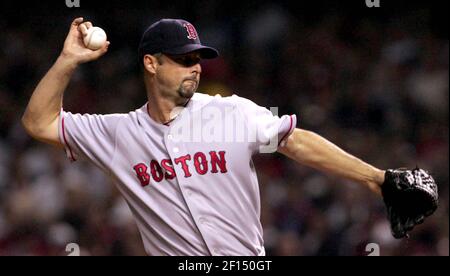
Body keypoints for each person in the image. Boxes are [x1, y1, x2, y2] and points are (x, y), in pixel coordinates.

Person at [21, 18, 436, 256]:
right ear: (151, 63)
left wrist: (377, 178)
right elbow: (39, 123)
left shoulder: (230, 111)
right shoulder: (117, 133)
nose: (196, 67)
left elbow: (296, 141)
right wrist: (68, 60)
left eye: (198, 58)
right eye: (184, 59)